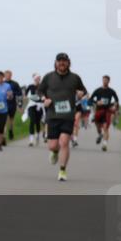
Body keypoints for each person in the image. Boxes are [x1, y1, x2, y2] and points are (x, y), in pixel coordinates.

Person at [38, 53, 87, 182]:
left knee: (64, 142)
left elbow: (84, 91)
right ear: (55, 63)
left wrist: (81, 93)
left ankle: (62, 170)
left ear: (69, 63)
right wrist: (44, 99)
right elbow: (40, 91)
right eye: (59, 61)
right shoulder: (48, 77)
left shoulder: (75, 78)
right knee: (53, 146)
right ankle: (54, 152)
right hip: (53, 115)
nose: (62, 63)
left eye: (64, 61)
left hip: (68, 115)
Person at [90, 75, 120, 151]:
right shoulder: (98, 90)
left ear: (109, 81)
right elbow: (90, 100)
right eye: (103, 80)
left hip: (107, 111)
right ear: (102, 81)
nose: (105, 81)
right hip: (99, 111)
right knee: (98, 127)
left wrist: (114, 105)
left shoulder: (111, 91)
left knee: (106, 128)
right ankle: (100, 135)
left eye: (106, 80)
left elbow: (116, 100)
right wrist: (97, 102)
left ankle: (105, 144)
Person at [23, 74, 45, 147]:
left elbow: (45, 94)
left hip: (40, 106)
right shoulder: (30, 86)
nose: (38, 79)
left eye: (39, 78)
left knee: (38, 122)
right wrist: (25, 97)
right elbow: (25, 94)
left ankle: (38, 135)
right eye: (37, 78)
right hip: (32, 105)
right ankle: (31, 140)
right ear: (34, 79)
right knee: (32, 121)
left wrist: (43, 98)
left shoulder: (43, 86)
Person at [4, 70, 23, 141]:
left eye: (9, 75)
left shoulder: (15, 84)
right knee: (5, 120)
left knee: (11, 120)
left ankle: (11, 130)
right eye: (6, 75)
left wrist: (20, 106)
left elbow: (20, 94)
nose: (7, 76)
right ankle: (4, 136)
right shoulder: (2, 84)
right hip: (4, 104)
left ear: (11, 76)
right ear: (4, 76)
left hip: (12, 104)